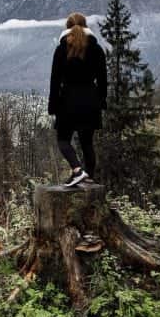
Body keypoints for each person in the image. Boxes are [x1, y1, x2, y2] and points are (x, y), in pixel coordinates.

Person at [48, 12, 107, 187]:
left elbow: (55, 80)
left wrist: (53, 105)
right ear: (86, 25)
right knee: (87, 142)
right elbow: (103, 80)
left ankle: (77, 170)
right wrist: (101, 100)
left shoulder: (61, 50)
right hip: (90, 100)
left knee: (63, 140)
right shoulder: (96, 49)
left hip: (67, 101)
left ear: (67, 28)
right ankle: (87, 177)